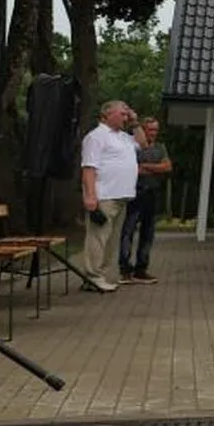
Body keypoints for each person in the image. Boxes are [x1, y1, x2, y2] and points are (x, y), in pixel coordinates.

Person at [78, 100, 138, 294]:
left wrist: (135, 122)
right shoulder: (96, 137)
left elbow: (143, 144)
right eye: (122, 113)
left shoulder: (125, 137)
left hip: (122, 196)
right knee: (98, 238)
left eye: (127, 113)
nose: (126, 116)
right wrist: (90, 196)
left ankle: (101, 274)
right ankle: (92, 276)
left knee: (112, 240)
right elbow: (89, 168)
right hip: (104, 196)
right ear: (107, 114)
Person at [119, 115, 170, 285]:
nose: (153, 133)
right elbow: (133, 169)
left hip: (153, 192)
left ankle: (141, 268)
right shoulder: (132, 146)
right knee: (128, 230)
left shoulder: (160, 147)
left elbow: (167, 167)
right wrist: (153, 168)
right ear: (143, 129)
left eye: (156, 130)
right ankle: (125, 268)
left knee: (148, 232)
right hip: (135, 192)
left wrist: (147, 167)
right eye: (150, 129)